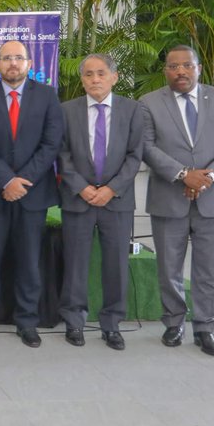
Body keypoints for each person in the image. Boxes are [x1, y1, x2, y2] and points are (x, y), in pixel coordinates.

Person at [140, 45, 214, 357]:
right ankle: (173, 323)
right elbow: (146, 147)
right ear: (166, 71)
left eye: (187, 65)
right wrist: (183, 174)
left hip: (211, 199)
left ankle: (205, 327)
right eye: (174, 66)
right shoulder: (148, 103)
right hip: (167, 198)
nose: (181, 71)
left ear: (199, 68)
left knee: (207, 268)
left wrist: (207, 177)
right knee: (168, 267)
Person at [0, 39, 63, 347]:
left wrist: (22, 181)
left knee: (29, 262)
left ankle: (27, 321)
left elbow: (51, 144)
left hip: (32, 194)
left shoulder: (47, 96)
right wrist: (6, 180)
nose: (12, 63)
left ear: (29, 63)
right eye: (6, 58)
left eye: (18, 58)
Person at [57, 54, 144, 350]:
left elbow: (135, 155)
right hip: (78, 200)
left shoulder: (132, 110)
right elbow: (62, 154)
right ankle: (74, 322)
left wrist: (111, 189)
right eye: (89, 74)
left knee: (116, 264)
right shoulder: (66, 111)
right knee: (75, 264)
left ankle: (111, 324)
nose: (95, 79)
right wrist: (81, 187)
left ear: (115, 77)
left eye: (101, 73)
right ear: (81, 80)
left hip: (116, 201)